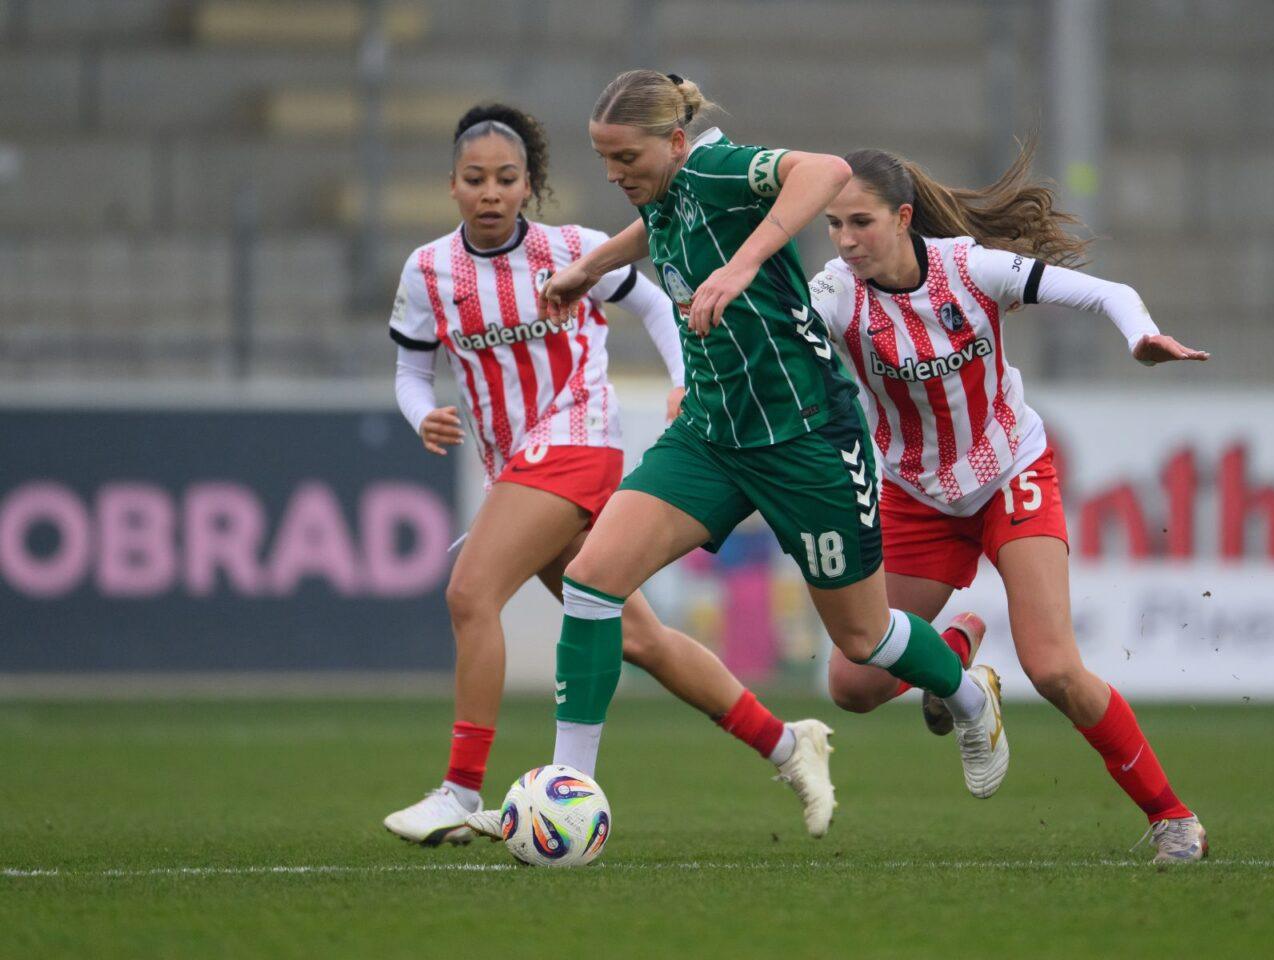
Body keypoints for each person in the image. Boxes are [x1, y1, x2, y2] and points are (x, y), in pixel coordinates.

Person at [528, 70, 1010, 810]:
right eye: (604, 161)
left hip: (806, 440)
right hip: (711, 436)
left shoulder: (718, 170)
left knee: (865, 641)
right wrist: (590, 268)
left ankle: (972, 702)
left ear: (677, 142)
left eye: (625, 158)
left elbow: (828, 171)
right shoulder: (662, 191)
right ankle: (568, 789)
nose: (614, 175)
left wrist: (743, 263)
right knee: (593, 584)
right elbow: (655, 227)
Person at [382, 103, 837, 846]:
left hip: (577, 442)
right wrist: (417, 412)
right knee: (639, 638)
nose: (491, 192)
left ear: (530, 184)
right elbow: (409, 365)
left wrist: (684, 376)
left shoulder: (573, 248)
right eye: (475, 180)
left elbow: (658, 306)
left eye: (506, 178)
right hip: (515, 468)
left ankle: (461, 792)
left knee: (470, 591)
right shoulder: (430, 269)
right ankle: (791, 746)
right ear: (453, 186)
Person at [808, 144, 1212, 863]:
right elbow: (784, 346)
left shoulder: (969, 268)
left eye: (860, 223)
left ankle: (1173, 816)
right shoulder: (836, 294)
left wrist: (1140, 335)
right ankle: (956, 660)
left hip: (1009, 474)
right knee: (852, 683)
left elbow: (1105, 292)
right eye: (834, 224)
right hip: (914, 495)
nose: (844, 241)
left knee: (1054, 668)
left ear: (903, 218)